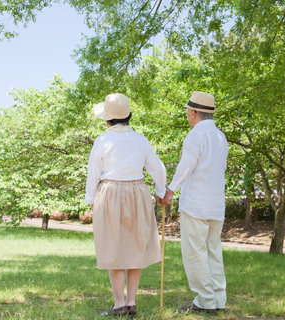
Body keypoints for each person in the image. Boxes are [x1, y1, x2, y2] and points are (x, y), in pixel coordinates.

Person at [84, 93, 166, 318]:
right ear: (128, 116)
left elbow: (93, 173)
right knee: (135, 245)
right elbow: (158, 168)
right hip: (137, 192)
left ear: (107, 119)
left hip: (110, 192)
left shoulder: (103, 141)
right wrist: (161, 192)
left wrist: (90, 200)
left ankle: (120, 303)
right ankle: (131, 302)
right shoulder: (141, 140)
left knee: (113, 246)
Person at [160, 91, 228, 315]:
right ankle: (218, 299)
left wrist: (170, 191)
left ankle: (205, 300)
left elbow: (187, 166)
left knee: (195, 252)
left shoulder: (196, 135)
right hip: (216, 204)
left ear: (193, 113)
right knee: (213, 251)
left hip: (196, 204)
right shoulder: (220, 136)